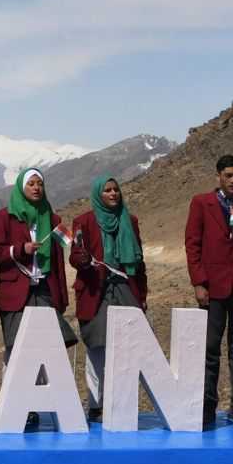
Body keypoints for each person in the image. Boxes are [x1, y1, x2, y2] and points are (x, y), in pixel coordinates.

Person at [0, 167, 77, 431]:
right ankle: (14, 406)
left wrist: (60, 296)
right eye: (31, 184)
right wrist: (21, 249)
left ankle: (36, 407)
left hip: (43, 291)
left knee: (46, 351)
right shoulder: (5, 217)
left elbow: (60, 263)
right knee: (16, 351)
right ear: (21, 188)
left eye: (40, 184)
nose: (37, 188)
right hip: (16, 293)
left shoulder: (51, 219)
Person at [185, 154, 233, 428]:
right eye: (229, 175)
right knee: (209, 348)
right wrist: (198, 282)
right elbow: (192, 244)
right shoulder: (201, 203)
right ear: (218, 176)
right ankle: (207, 405)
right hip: (213, 286)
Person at [69, 175, 148, 423]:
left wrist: (142, 295)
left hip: (126, 288)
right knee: (97, 348)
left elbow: (139, 260)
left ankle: (121, 402)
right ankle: (95, 403)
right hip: (96, 291)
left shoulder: (130, 221)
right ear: (98, 195)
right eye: (108, 191)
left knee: (127, 348)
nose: (113, 194)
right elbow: (75, 255)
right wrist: (81, 260)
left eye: (116, 190)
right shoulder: (83, 221)